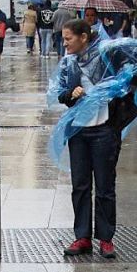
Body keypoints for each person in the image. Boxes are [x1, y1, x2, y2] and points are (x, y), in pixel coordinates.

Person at [50, 20, 120, 258]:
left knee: (105, 186)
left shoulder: (105, 59)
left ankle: (106, 239)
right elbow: (59, 93)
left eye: (68, 38)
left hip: (104, 130)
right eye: (64, 38)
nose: (65, 43)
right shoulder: (68, 63)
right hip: (78, 131)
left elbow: (127, 81)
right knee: (80, 186)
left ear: (84, 37)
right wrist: (71, 93)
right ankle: (82, 237)